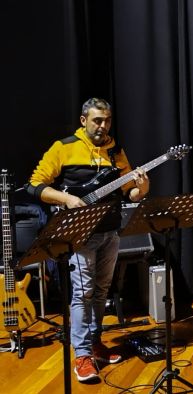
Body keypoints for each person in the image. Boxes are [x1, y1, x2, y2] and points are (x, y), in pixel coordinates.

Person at [25, 98, 150, 382]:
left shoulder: (116, 150)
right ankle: (81, 354)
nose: (103, 126)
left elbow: (129, 192)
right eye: (97, 120)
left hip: (110, 232)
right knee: (83, 294)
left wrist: (141, 187)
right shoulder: (64, 147)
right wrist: (67, 198)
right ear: (83, 120)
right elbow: (35, 185)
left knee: (102, 290)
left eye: (106, 120)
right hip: (80, 235)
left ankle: (95, 343)